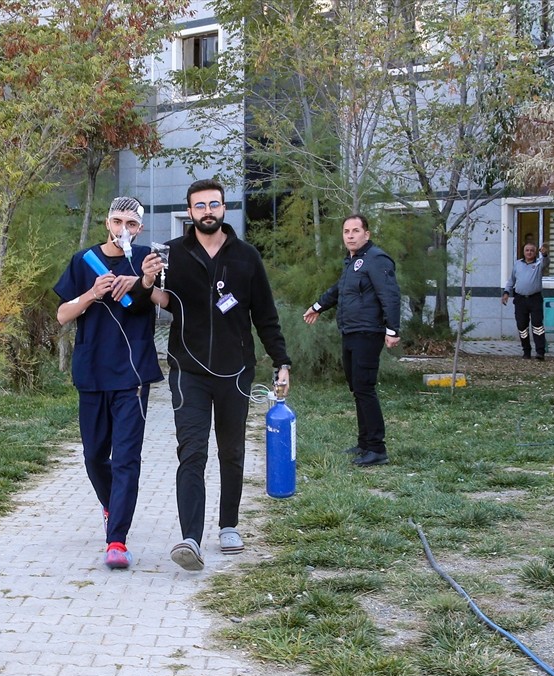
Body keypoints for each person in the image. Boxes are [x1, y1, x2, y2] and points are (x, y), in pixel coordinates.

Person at [141, 178, 291, 572]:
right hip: (187, 370)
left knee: (232, 451)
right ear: (189, 212)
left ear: (224, 209)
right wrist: (146, 281)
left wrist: (282, 361)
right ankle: (190, 538)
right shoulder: (172, 253)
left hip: (236, 371)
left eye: (214, 204)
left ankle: (228, 525)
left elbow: (266, 316)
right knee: (192, 452)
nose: (208, 211)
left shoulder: (246, 257)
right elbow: (162, 300)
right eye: (200, 206)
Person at [53, 197, 163, 570]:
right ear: (106, 222)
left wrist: (145, 280)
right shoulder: (84, 261)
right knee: (94, 455)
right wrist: (91, 294)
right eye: (118, 221)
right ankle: (109, 505)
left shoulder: (148, 258)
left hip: (133, 374)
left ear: (140, 229)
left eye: (131, 224)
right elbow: (62, 314)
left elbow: (167, 301)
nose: (123, 230)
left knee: (127, 458)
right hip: (92, 371)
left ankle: (117, 539)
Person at [302, 213, 401, 467]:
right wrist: (317, 306)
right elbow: (338, 290)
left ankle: (377, 449)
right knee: (357, 388)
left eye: (355, 231)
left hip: (368, 332)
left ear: (366, 234)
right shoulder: (352, 262)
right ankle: (364, 443)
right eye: (346, 231)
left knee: (365, 388)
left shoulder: (377, 259)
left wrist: (392, 329)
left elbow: (389, 294)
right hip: (351, 331)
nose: (350, 235)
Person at [501, 241, 551, 360]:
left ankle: (540, 352)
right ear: (523, 252)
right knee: (522, 326)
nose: (529, 252)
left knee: (537, 325)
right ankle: (526, 351)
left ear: (535, 252)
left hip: (535, 299)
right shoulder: (518, 264)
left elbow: (546, 262)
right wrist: (506, 293)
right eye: (527, 250)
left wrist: (545, 255)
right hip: (520, 300)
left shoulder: (539, 263)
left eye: (532, 250)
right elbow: (511, 280)